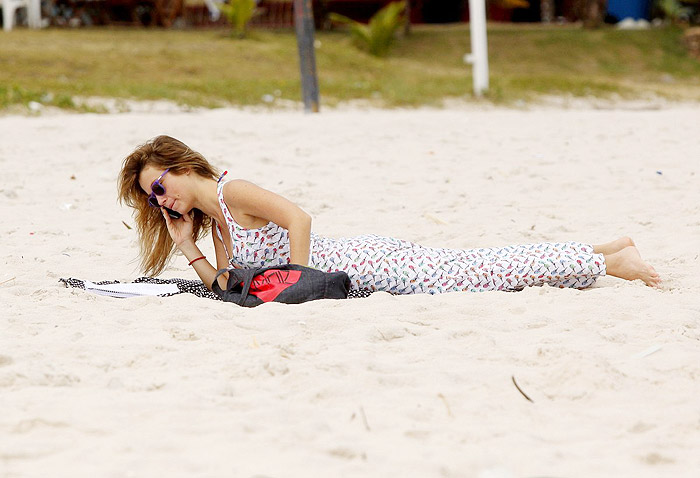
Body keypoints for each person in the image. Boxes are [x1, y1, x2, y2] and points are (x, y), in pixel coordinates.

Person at [117, 135, 661, 295]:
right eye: (152, 199)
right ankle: (602, 249)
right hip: (352, 273)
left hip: (359, 259)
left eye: (159, 186)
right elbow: (226, 288)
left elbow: (299, 219)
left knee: (474, 273)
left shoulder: (234, 191)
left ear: (183, 165)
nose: (160, 200)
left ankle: (609, 264)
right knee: (472, 268)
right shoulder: (215, 224)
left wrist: (298, 281)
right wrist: (187, 247)